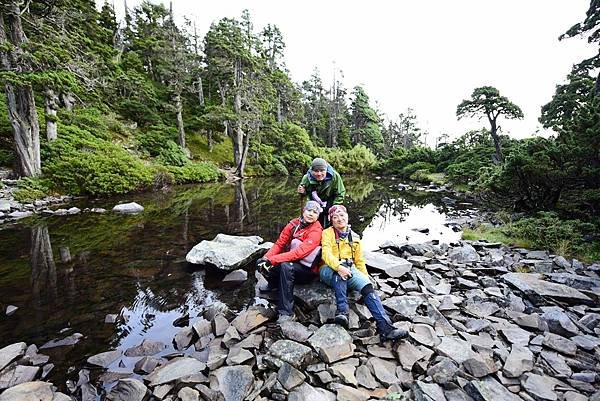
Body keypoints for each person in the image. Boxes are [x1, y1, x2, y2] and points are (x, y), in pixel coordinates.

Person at [319, 204, 408, 342]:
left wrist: (364, 279)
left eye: (342, 216)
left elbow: (359, 261)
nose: (339, 219)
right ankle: (342, 312)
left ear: (347, 217)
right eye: (335, 217)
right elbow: (326, 254)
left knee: (367, 287)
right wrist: (338, 267)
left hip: (350, 268)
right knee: (341, 272)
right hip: (328, 268)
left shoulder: (354, 237)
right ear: (331, 220)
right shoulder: (327, 233)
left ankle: (385, 327)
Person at [256, 200, 324, 324]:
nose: (311, 214)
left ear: (318, 216)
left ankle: (286, 311)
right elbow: (279, 243)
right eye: (309, 210)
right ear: (303, 211)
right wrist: (266, 258)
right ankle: (273, 284)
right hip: (291, 261)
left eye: (315, 212)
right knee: (260, 263)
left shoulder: (316, 230)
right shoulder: (293, 224)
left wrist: (273, 260)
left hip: (306, 270)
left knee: (286, 266)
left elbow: (299, 253)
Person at [297, 157, 345, 228]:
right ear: (311, 171)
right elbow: (304, 195)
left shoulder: (335, 176)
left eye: (322, 170)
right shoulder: (306, 178)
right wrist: (302, 192)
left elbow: (340, 193)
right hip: (314, 203)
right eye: (316, 171)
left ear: (326, 170)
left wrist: (334, 208)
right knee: (313, 221)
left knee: (333, 219)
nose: (319, 174)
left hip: (331, 201)